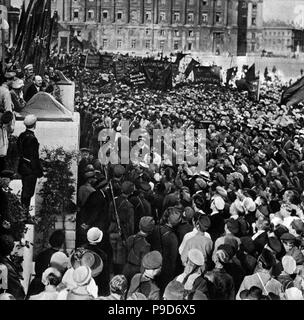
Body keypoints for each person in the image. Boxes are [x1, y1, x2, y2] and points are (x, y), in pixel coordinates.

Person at [27, 229, 65, 297]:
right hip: (51, 288)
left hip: (36, 286)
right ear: (62, 244)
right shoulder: (60, 257)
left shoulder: (41, 254)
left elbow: (37, 270)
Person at [17, 114, 43, 210]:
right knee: (28, 192)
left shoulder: (22, 135)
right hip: (30, 170)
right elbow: (34, 157)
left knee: (25, 191)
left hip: (23, 167)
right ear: (34, 124)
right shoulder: (32, 139)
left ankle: (24, 212)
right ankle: (24, 213)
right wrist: (39, 171)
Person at [123, 216, 155, 283]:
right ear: (151, 229)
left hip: (126, 268)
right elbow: (143, 265)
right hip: (136, 272)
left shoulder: (130, 238)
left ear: (139, 226)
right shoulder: (146, 245)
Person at [83, 227, 110, 296]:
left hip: (82, 284)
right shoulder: (102, 254)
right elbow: (105, 277)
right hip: (98, 286)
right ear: (100, 239)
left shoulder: (80, 250)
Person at [0, 234, 25, 300]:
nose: (17, 251)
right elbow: (15, 290)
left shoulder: (6, 263)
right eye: (16, 247)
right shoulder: (5, 267)